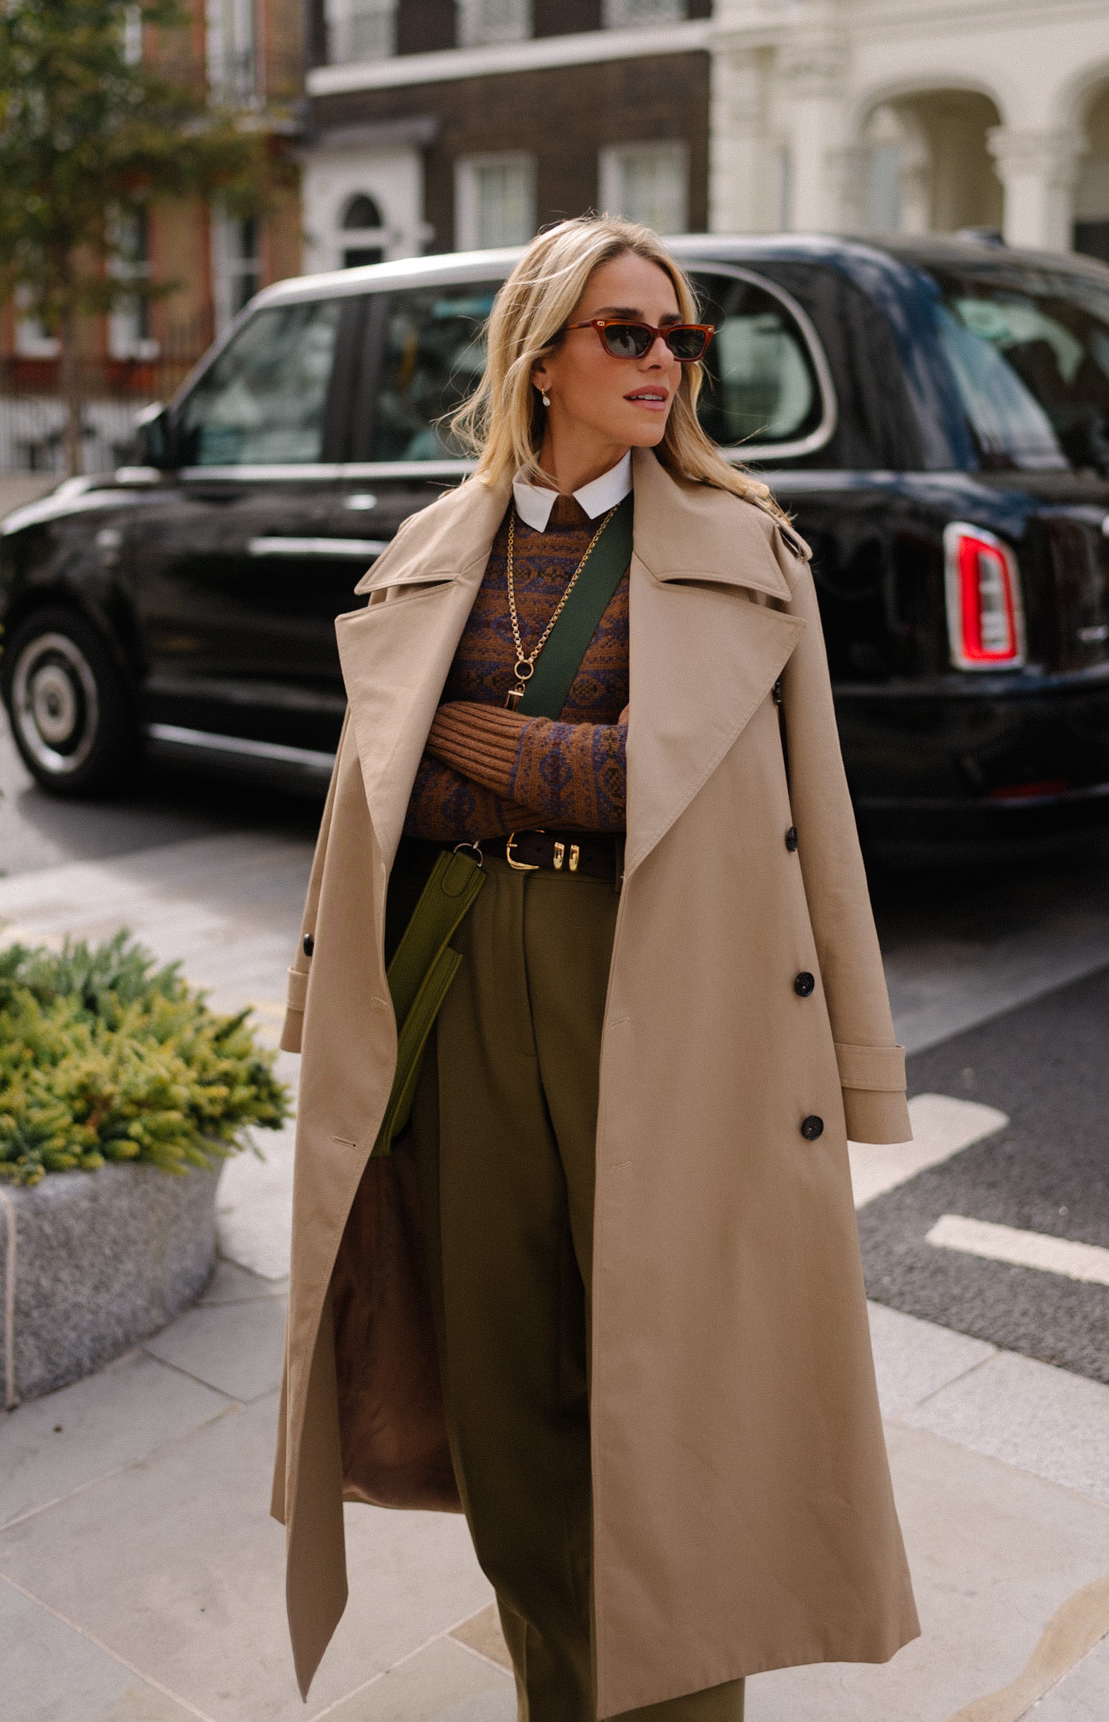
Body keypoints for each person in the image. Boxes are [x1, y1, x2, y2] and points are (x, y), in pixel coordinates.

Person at [272, 215, 919, 1719]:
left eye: (680, 339)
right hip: (463, 995)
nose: (661, 363)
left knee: (672, 1422)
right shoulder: (430, 551)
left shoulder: (746, 550)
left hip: (671, 999)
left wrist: (492, 748)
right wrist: (559, 775)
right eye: (626, 333)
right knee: (508, 1404)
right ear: (540, 355)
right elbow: (380, 807)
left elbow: (777, 810)